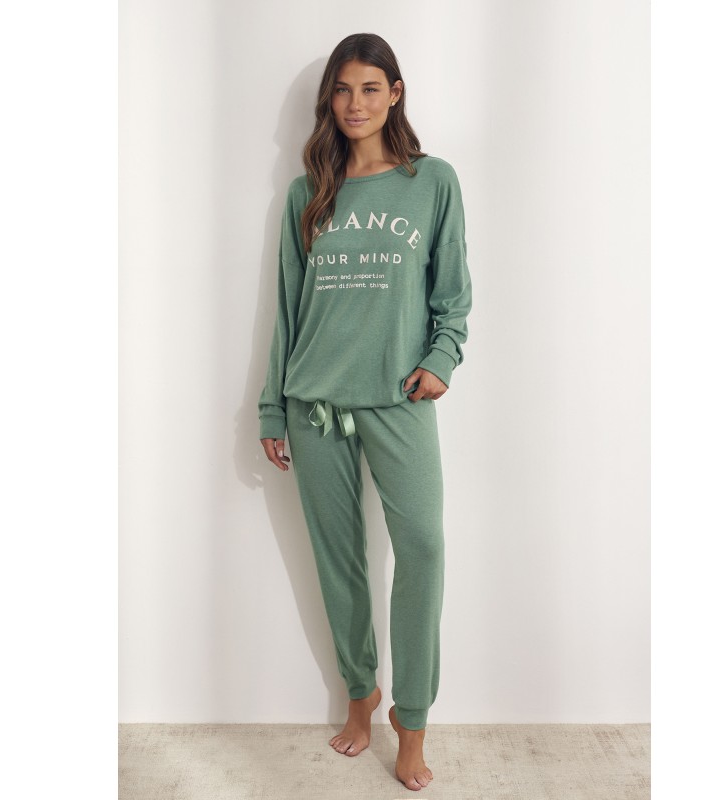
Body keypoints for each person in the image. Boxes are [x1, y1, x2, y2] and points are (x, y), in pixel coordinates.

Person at [258, 32, 472, 792]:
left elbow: (453, 294)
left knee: (424, 551)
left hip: (399, 397)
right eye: (343, 90)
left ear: (395, 93)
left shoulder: (431, 181)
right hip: (314, 402)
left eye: (370, 88)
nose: (355, 104)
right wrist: (273, 408)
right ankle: (360, 695)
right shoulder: (307, 193)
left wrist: (441, 360)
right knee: (339, 560)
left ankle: (411, 724)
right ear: (330, 100)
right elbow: (288, 309)